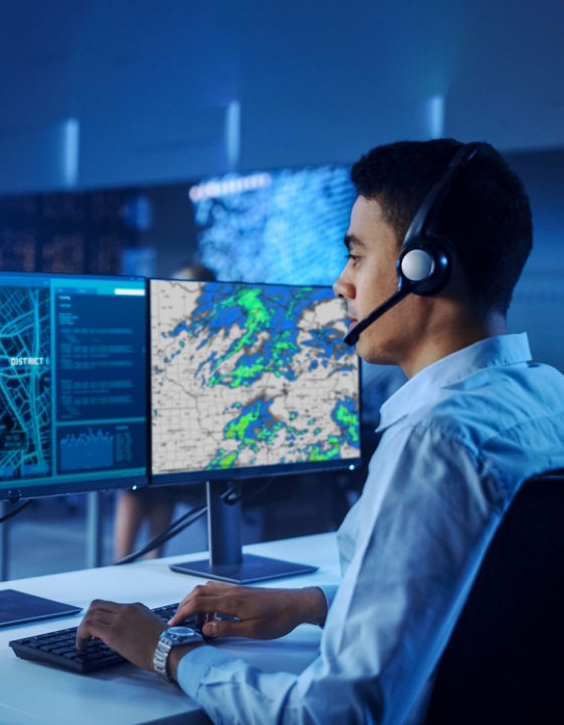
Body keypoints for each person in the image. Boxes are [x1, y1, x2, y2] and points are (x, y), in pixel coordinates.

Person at [76, 139, 564, 723]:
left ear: (424, 268)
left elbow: (334, 715)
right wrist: (311, 604)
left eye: (356, 256)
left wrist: (168, 651)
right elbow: (486, 599)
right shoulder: (548, 397)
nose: (340, 284)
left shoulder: (436, 442)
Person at [113, 262, 215, 560]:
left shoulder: (211, 340)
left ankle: (143, 562)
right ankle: (126, 565)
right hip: (164, 449)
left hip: (190, 455)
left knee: (153, 475)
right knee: (142, 476)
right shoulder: (163, 332)